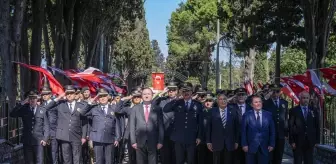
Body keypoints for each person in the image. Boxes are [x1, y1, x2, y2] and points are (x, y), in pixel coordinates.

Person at [43, 85, 88, 164]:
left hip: (76, 136)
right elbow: (46, 107)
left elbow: (84, 122)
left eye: (71, 93)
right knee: (66, 160)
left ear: (75, 94)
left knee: (77, 160)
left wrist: (84, 136)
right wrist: (58, 98)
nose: (69, 95)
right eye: (67, 93)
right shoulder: (60, 104)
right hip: (64, 137)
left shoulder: (81, 106)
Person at [163, 82, 204, 164]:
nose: (186, 93)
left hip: (192, 138)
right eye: (184, 91)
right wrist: (176, 98)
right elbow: (165, 109)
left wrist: (199, 137)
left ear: (192, 92)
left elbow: (200, 123)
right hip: (178, 138)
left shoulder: (198, 105)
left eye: (188, 91)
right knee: (179, 160)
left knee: (191, 160)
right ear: (181, 92)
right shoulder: (177, 102)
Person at [10, 90, 49, 164]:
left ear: (37, 98)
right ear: (28, 99)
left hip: (39, 141)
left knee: (39, 161)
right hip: (27, 140)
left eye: (34, 98)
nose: (32, 100)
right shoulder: (24, 109)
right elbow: (12, 114)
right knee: (28, 161)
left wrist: (45, 138)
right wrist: (22, 103)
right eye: (30, 98)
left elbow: (46, 125)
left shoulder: (42, 110)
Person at [83, 88, 121, 164]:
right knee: (99, 160)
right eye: (100, 96)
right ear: (98, 98)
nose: (102, 98)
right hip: (97, 138)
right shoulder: (94, 109)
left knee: (109, 160)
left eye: (104, 96)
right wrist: (90, 103)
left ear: (108, 97)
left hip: (110, 138)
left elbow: (116, 123)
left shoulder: (113, 108)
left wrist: (117, 138)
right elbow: (82, 113)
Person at [129, 87, 164, 164]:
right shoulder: (135, 109)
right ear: (141, 96)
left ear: (152, 95)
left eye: (148, 94)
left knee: (153, 161)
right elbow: (131, 126)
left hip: (153, 141)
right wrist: (133, 141)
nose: (146, 96)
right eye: (144, 94)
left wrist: (160, 141)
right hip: (139, 141)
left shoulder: (158, 109)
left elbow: (161, 126)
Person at [241, 95, 275, 164]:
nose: (258, 103)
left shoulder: (268, 115)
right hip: (250, 147)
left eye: (260, 102)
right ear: (251, 104)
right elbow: (243, 131)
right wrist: (244, 144)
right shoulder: (247, 115)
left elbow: (272, 131)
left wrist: (272, 144)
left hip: (264, 147)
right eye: (256, 102)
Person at [206, 93, 239, 164]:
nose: (222, 101)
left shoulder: (233, 111)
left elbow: (237, 128)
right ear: (217, 101)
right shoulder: (212, 111)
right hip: (216, 143)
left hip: (230, 143)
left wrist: (236, 141)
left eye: (224, 99)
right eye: (220, 99)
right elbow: (208, 127)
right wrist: (208, 141)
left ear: (227, 100)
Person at [289, 91, 320, 164]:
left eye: (307, 98)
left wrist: (317, 140)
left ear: (309, 99)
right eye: (303, 98)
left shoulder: (314, 110)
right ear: (300, 98)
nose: (305, 100)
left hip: (310, 141)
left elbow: (317, 125)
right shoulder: (294, 110)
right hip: (297, 141)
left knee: (309, 161)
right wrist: (292, 141)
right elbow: (290, 126)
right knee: (298, 161)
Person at [153, 81, 179, 164]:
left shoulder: (180, 101)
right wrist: (161, 93)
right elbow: (152, 104)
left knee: (176, 156)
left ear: (176, 91)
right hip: (164, 133)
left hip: (177, 133)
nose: (171, 92)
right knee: (165, 156)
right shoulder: (162, 100)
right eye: (169, 90)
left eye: (173, 90)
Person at [263, 84, 289, 164]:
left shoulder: (284, 103)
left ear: (280, 92)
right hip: (269, 134)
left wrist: (286, 132)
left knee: (279, 156)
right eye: (273, 91)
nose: (275, 94)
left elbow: (285, 119)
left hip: (280, 134)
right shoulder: (265, 103)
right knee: (269, 156)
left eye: (277, 91)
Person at [41, 86, 59, 164]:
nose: (44, 96)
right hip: (44, 133)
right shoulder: (41, 105)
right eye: (43, 94)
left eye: (46, 94)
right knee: (46, 154)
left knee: (53, 153)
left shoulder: (56, 104)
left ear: (50, 95)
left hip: (53, 132)